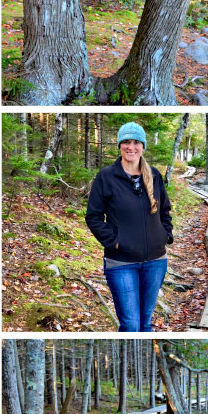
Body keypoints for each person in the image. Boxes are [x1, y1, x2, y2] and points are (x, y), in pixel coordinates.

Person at [85, 122, 173, 331]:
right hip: (121, 263)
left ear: (143, 146)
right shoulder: (106, 177)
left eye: (135, 142)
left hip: (155, 262)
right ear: (119, 145)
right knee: (131, 325)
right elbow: (93, 217)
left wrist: (164, 235)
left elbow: (165, 211)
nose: (130, 147)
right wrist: (115, 242)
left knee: (145, 324)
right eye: (126, 142)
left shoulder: (153, 175)